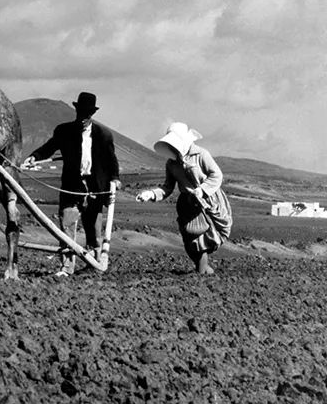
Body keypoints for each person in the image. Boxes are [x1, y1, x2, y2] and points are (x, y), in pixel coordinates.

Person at [21, 91, 121, 276]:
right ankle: (67, 267)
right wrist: (35, 156)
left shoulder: (103, 135)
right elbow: (49, 147)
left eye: (88, 114)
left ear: (92, 114)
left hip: (95, 188)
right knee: (67, 225)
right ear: (77, 111)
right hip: (71, 186)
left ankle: (94, 264)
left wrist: (114, 179)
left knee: (94, 229)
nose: (84, 117)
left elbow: (111, 160)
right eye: (82, 113)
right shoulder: (64, 131)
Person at [136, 122, 232, 275]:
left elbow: (217, 175)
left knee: (202, 241)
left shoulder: (201, 155)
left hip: (207, 201)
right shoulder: (171, 164)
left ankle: (201, 272)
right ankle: (205, 271)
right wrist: (151, 194)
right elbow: (168, 187)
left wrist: (202, 190)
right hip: (188, 204)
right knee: (191, 241)